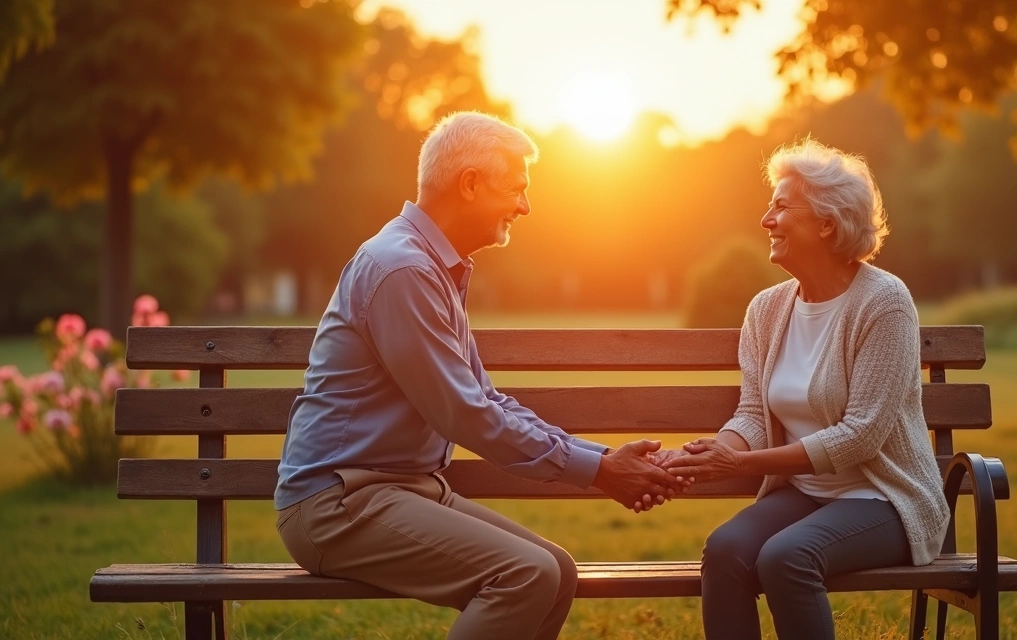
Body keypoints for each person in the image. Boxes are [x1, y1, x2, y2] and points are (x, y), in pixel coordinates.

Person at [274, 111, 684, 640]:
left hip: (401, 491)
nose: (525, 205)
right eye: (517, 188)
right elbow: (464, 414)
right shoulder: (404, 270)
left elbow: (485, 398)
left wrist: (601, 459)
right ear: (470, 184)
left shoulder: (434, 267)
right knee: (524, 575)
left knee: (556, 571)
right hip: (338, 505)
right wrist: (600, 472)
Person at [659, 138, 951, 640]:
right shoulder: (767, 309)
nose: (765, 220)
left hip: (886, 500)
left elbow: (861, 435)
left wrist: (743, 465)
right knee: (725, 551)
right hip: (808, 495)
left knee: (787, 557)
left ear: (826, 224)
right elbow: (753, 413)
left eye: (780, 206)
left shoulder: (885, 303)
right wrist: (710, 451)